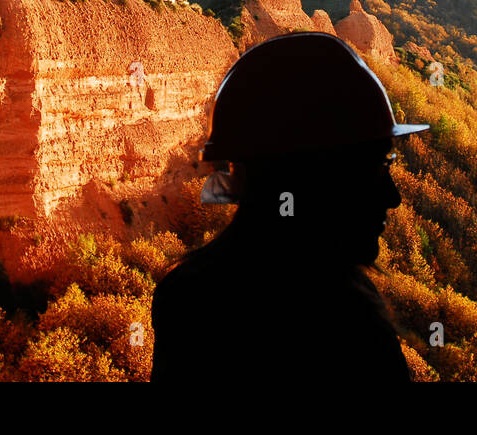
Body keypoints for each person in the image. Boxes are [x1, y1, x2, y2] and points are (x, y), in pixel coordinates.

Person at [150, 31, 428, 382]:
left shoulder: (186, 299)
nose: (392, 197)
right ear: (311, 177)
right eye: (375, 168)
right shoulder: (343, 318)